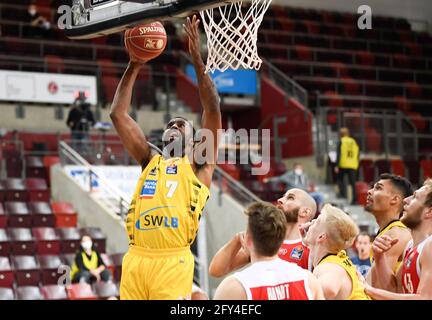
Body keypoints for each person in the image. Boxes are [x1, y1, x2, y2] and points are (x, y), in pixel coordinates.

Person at [112, 16, 221, 300]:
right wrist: (134, 65)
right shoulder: (150, 159)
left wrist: (197, 59)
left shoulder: (199, 163)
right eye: (169, 125)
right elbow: (118, 115)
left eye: (180, 125)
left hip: (172, 261)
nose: (172, 127)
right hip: (136, 259)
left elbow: (212, 107)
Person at [213, 202, 324, 300]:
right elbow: (216, 269)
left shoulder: (234, 287)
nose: (281, 200)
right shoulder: (309, 281)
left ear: (249, 240)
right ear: (281, 240)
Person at [208, 188, 317, 277]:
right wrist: (237, 239)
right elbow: (216, 270)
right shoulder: (264, 241)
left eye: (290, 198)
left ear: (305, 211)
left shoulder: (313, 246)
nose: (280, 200)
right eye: (283, 196)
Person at [364, 179, 432, 299]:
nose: (406, 200)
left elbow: (425, 298)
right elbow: (394, 290)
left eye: (415, 197)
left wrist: (369, 290)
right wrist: (380, 257)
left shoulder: (430, 246)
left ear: (429, 211)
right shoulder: (410, 246)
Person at [301, 204, 370, 300]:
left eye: (316, 221)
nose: (311, 223)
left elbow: (330, 288)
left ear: (321, 237)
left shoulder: (328, 266)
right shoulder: (338, 256)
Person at [365, 173, 413, 286]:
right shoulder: (388, 230)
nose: (369, 191)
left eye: (378, 188)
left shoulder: (396, 234)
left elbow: (379, 287)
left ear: (395, 199)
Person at [335, 127, 359, 204]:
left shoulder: (341, 141)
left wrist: (336, 165)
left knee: (340, 179)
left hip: (343, 163)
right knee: (353, 183)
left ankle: (342, 194)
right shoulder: (353, 141)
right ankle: (355, 200)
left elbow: (338, 154)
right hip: (353, 164)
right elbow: (357, 153)